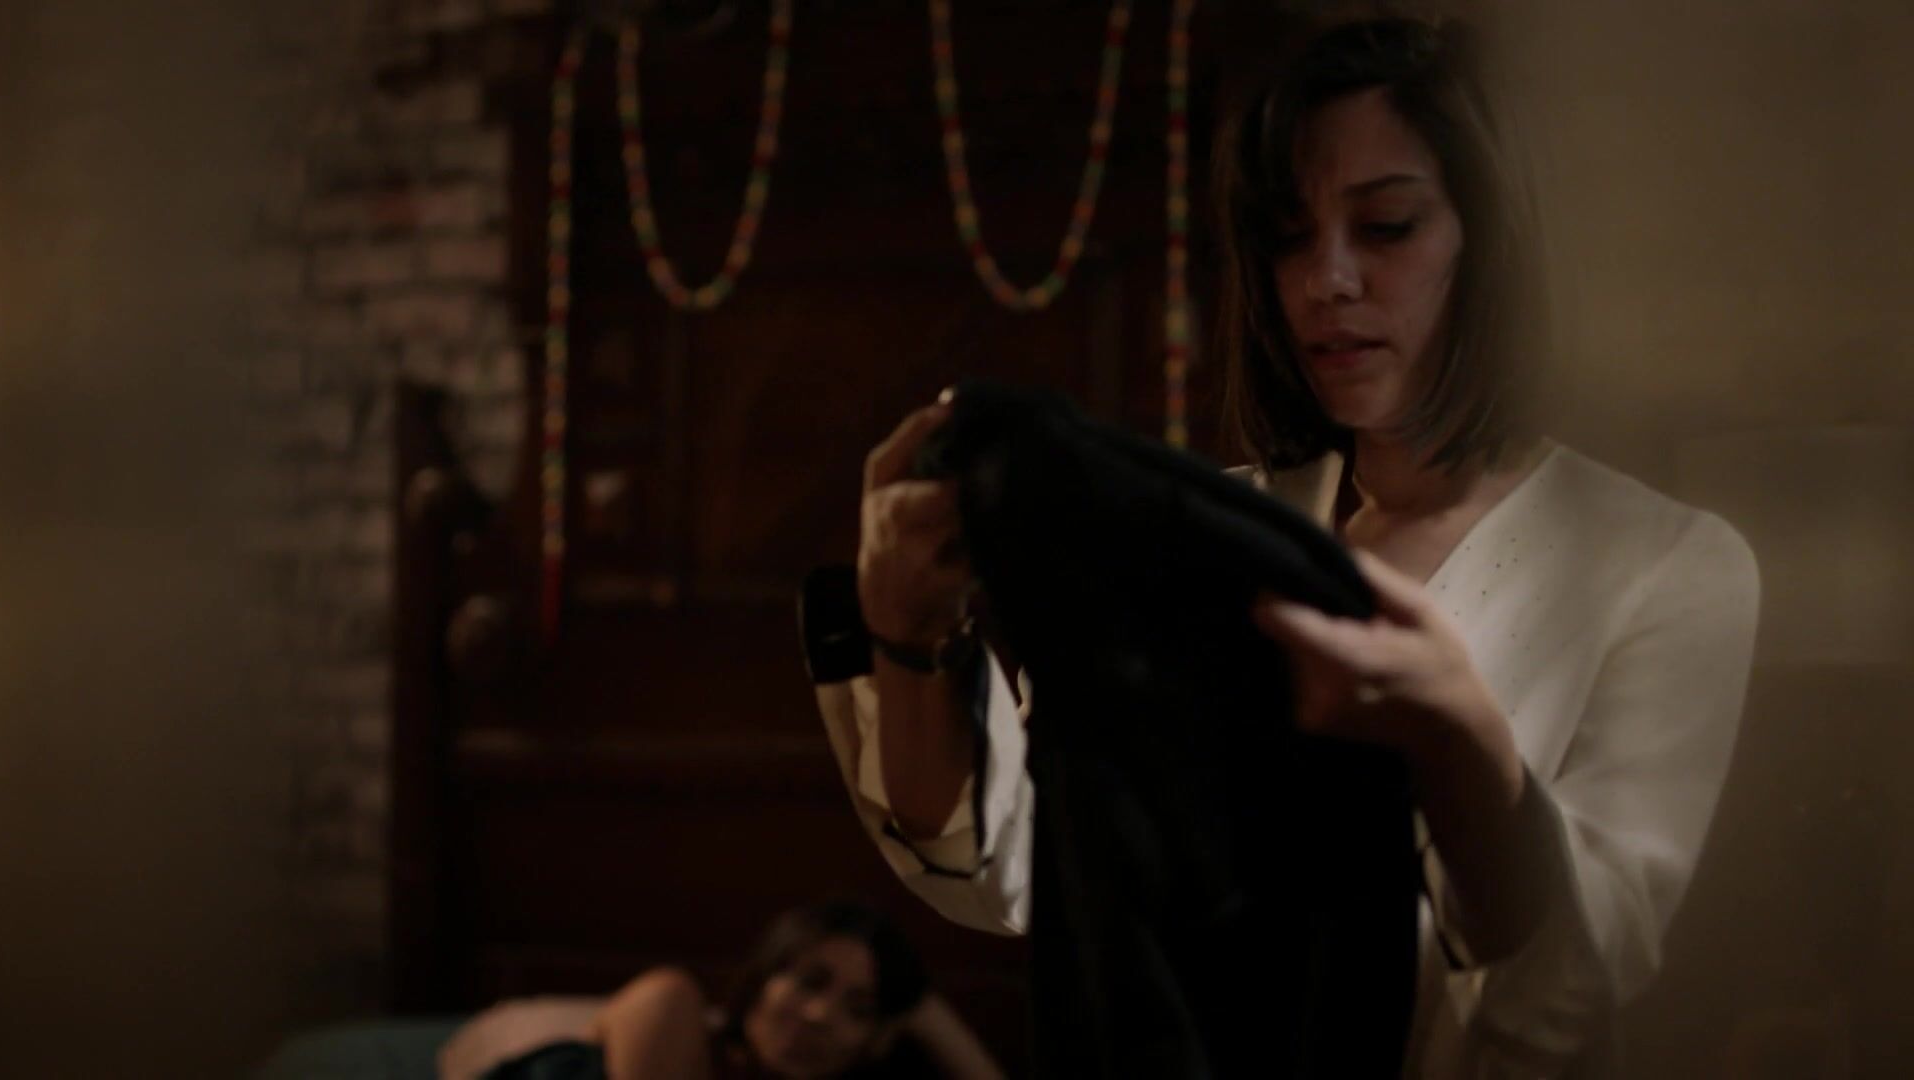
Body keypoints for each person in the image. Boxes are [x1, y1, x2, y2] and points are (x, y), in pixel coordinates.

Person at [815, 15, 1760, 1078]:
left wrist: (1461, 745)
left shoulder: (1667, 565)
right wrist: (909, 639)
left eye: (1387, 226)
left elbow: (1577, 985)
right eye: (1287, 236)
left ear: (1496, 239)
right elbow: (1026, 867)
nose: (1326, 280)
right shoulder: (1206, 531)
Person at [437, 900, 1005, 1080]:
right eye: (809, 981)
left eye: (858, 1009)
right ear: (764, 979)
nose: (819, 1015)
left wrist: (929, 1016)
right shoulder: (673, 1006)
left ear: (874, 1041)